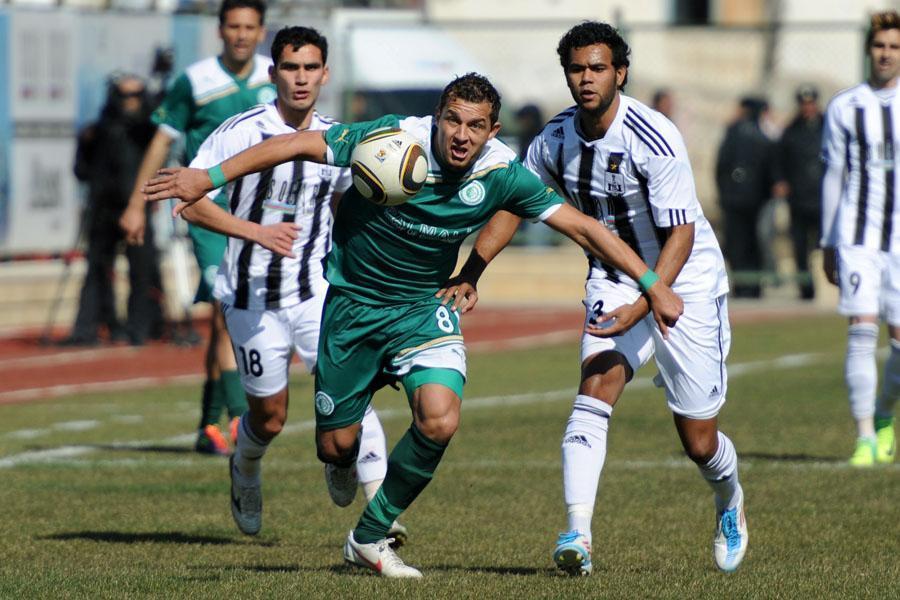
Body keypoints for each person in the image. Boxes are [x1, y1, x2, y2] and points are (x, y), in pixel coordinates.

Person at [142, 72, 684, 578]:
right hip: (353, 307)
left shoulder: (501, 171)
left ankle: (368, 537)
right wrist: (206, 177)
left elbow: (584, 228)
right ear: (437, 116)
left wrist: (652, 285)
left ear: (493, 131)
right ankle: (341, 456)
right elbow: (297, 144)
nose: (462, 135)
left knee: (440, 419)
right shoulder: (391, 139)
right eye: (453, 120)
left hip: (423, 308)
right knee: (335, 447)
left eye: (476, 126)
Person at [442, 21, 747, 575]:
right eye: (577, 69)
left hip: (684, 282)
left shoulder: (653, 137)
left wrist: (649, 300)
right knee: (596, 386)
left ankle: (729, 498)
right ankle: (577, 535)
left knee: (700, 442)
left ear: (619, 73)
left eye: (598, 68)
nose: (587, 78)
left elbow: (681, 234)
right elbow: (515, 204)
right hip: (611, 278)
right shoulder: (553, 140)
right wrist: (473, 270)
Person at [176, 24, 403, 543]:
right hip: (251, 298)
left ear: (326, 74)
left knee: (354, 396)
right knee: (270, 418)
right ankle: (245, 468)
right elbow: (190, 200)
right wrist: (254, 231)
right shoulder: (241, 131)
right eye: (290, 68)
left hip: (318, 296)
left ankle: (380, 515)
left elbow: (348, 209)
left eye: (310, 68)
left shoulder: (338, 139)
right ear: (273, 72)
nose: (301, 78)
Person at [120, 0, 275, 456]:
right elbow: (162, 140)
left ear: (261, 31)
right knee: (227, 311)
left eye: (249, 27)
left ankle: (208, 425)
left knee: (239, 319)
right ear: (220, 30)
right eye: (233, 26)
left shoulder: (276, 77)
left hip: (261, 215)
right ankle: (241, 420)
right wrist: (137, 202)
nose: (241, 34)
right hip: (208, 211)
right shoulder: (196, 81)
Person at [821, 10, 900, 467]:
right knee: (862, 330)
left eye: (894, 46)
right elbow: (834, 175)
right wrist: (828, 241)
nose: (886, 54)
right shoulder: (845, 106)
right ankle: (865, 435)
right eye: (879, 45)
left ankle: (885, 412)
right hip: (858, 235)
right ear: (868, 50)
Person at [66, 74, 164, 347]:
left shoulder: (148, 130)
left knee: (143, 271)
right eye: (124, 96)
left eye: (136, 96)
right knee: (97, 270)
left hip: (136, 208)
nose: (130, 102)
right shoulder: (97, 131)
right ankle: (90, 327)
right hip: (103, 210)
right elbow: (81, 170)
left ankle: (142, 327)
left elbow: (162, 146)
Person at [715, 96, 778, 298]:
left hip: (735, 198)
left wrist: (724, 193)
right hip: (755, 199)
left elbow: (722, 165)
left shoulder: (735, 132)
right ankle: (753, 285)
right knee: (753, 243)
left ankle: (742, 285)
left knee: (737, 242)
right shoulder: (762, 134)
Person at [777, 85, 824, 300]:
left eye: (811, 103)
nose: (808, 108)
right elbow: (780, 160)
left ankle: (827, 286)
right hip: (799, 198)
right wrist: (781, 181)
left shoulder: (827, 126)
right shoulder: (791, 131)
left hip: (823, 198)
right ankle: (806, 288)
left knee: (824, 244)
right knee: (800, 245)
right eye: (804, 104)